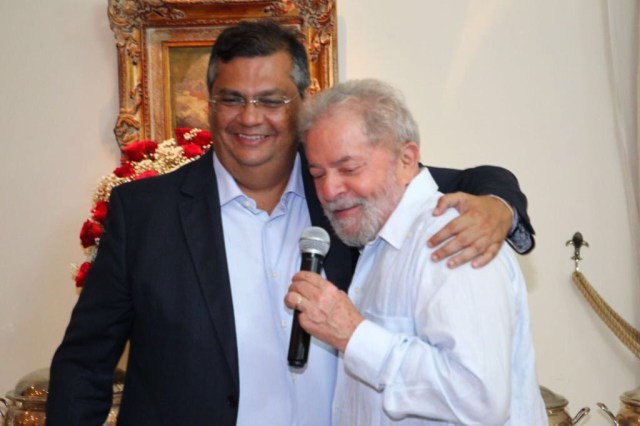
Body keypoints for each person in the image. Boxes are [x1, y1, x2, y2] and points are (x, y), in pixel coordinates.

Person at [46, 22, 535, 425]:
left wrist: (498, 207)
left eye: (271, 100)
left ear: (302, 101)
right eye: (232, 99)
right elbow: (84, 365)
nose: (250, 117)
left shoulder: (344, 193)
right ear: (209, 105)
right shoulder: (144, 213)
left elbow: (473, 177)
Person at [285, 78, 546, 425]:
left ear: (406, 160)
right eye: (318, 174)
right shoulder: (376, 241)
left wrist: (354, 335)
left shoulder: (454, 236)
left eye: (349, 168)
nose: (330, 190)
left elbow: (479, 398)